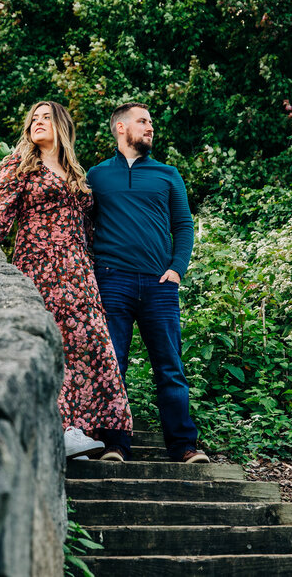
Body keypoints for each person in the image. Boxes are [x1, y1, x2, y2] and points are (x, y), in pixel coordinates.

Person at [0, 100, 132, 460]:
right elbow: (1, 205)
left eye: (45, 117)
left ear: (61, 126)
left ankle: (79, 428)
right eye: (33, 118)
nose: (37, 122)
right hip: (40, 267)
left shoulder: (77, 173)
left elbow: (89, 227)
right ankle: (59, 429)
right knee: (51, 345)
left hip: (80, 273)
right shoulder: (19, 164)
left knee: (89, 347)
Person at [86, 102, 209, 463]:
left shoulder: (168, 174)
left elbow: (183, 226)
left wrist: (177, 269)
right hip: (112, 282)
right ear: (121, 128)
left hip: (159, 284)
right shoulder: (96, 176)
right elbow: (83, 225)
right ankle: (114, 445)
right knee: (113, 365)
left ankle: (184, 446)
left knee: (170, 367)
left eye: (151, 122)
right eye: (142, 122)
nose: (150, 127)